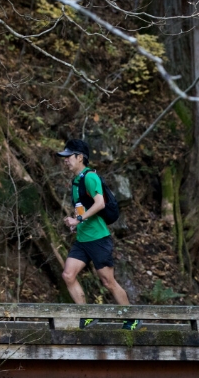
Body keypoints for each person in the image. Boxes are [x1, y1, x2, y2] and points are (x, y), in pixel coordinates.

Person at [55, 138, 139, 330]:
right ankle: (87, 316)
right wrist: (75, 223)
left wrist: (78, 220)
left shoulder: (90, 177)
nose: (65, 160)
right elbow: (82, 208)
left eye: (68, 157)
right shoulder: (76, 182)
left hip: (99, 239)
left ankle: (131, 317)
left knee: (108, 282)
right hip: (83, 239)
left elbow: (100, 203)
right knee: (68, 275)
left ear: (79, 157)